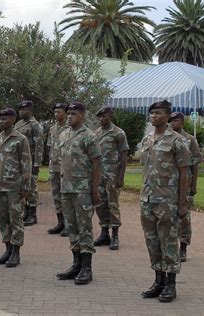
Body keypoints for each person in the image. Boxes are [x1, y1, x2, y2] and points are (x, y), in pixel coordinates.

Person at [139, 100, 191, 303]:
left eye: (158, 113)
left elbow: (184, 173)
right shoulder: (147, 140)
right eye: (151, 113)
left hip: (167, 201)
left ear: (167, 116)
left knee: (168, 242)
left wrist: (182, 203)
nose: (153, 116)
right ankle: (158, 281)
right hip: (147, 199)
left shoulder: (177, 141)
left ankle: (171, 285)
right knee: (152, 242)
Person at [56, 101, 101, 285]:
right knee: (71, 227)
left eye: (73, 114)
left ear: (82, 115)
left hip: (82, 189)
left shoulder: (89, 136)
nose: (69, 117)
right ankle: (76, 264)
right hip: (66, 188)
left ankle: (87, 268)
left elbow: (97, 164)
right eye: (68, 114)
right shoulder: (64, 134)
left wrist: (95, 190)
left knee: (85, 228)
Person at [0, 108, 32, 268]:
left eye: (5, 119)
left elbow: (26, 163)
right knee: (3, 219)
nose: (1, 121)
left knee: (15, 219)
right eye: (0, 119)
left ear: (13, 120)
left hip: (14, 186)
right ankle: (7, 249)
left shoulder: (20, 139)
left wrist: (26, 186)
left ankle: (16, 252)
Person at [168, 111, 203, 262]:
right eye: (171, 121)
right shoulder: (166, 138)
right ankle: (171, 247)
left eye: (176, 121)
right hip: (169, 184)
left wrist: (194, 185)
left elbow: (195, 164)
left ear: (182, 122)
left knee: (184, 216)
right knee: (169, 215)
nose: (173, 123)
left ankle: (183, 247)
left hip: (186, 183)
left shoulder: (190, 140)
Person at [93, 106, 129, 250]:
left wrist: (121, 177)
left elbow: (124, 156)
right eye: (100, 117)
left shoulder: (118, 133)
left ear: (110, 116)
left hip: (112, 174)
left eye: (104, 116)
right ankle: (104, 233)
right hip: (98, 174)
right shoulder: (96, 133)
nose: (102, 119)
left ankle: (115, 234)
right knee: (100, 204)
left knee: (112, 204)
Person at [14, 100, 43, 226]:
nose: (21, 112)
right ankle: (26, 212)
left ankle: (33, 214)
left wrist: (37, 163)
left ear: (30, 111)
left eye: (24, 110)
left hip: (30, 160)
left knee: (31, 187)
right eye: (20, 110)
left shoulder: (35, 125)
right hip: (19, 161)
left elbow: (39, 145)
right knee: (23, 186)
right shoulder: (19, 124)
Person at [46, 103, 70, 235]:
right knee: (56, 196)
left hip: (65, 167)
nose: (56, 114)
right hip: (54, 166)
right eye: (55, 112)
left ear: (65, 113)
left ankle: (68, 223)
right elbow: (50, 147)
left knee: (65, 196)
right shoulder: (52, 128)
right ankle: (60, 222)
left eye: (59, 112)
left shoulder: (69, 128)